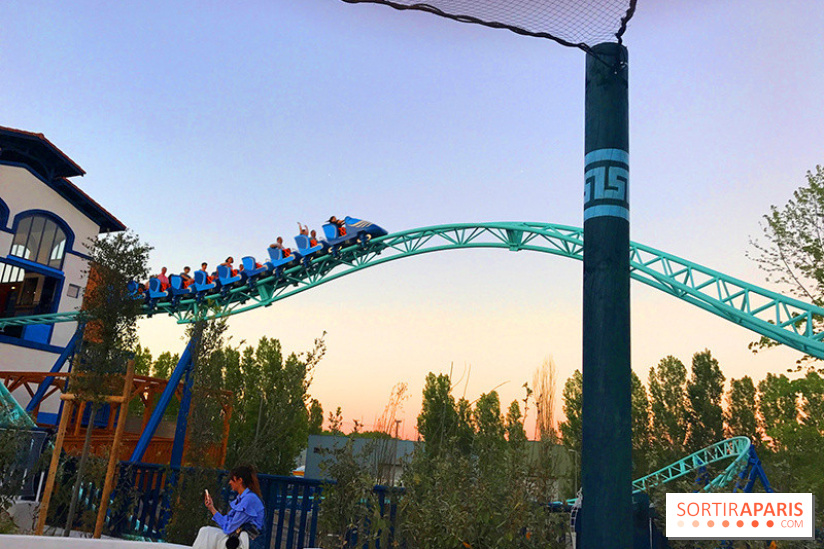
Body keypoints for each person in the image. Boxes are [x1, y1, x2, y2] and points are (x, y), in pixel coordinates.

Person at [193, 465, 265, 549]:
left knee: (207, 533)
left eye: (232, 479)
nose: (229, 482)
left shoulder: (248, 500)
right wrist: (211, 507)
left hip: (249, 542)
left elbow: (229, 527)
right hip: (241, 537)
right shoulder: (242, 498)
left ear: (240, 480)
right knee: (204, 531)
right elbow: (229, 523)